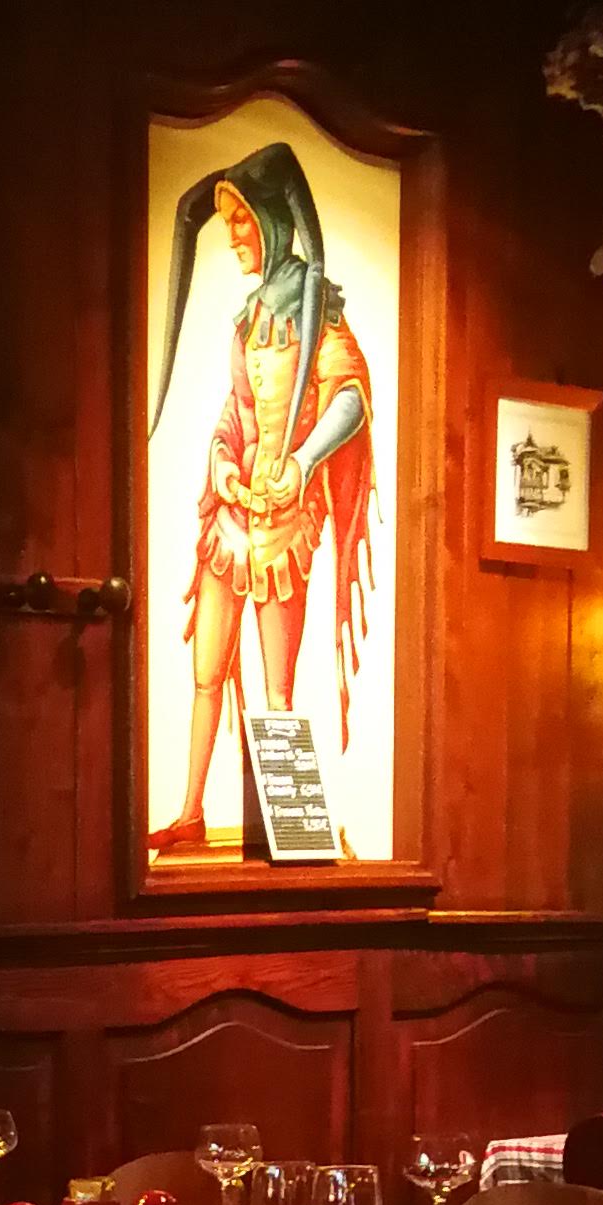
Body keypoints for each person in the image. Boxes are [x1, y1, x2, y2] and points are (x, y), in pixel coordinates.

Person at [145, 138, 375, 857]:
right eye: (229, 223)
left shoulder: (320, 309)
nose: (234, 237)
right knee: (207, 672)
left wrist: (302, 463)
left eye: (242, 221)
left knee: (277, 692)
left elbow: (350, 394)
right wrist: (220, 461)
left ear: (273, 221)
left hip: (283, 523)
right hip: (233, 517)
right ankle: (189, 812)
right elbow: (234, 410)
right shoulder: (247, 319)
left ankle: (287, 829)